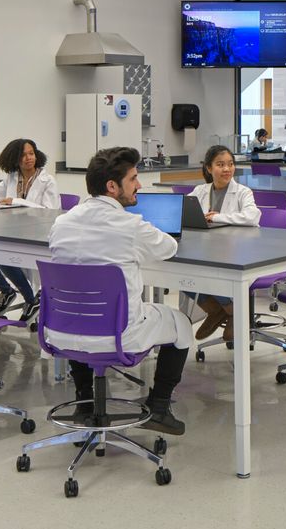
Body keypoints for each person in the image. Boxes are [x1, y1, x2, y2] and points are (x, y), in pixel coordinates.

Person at [47, 146, 193, 436]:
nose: (139, 185)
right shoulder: (131, 226)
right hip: (119, 335)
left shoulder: (61, 223)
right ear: (112, 187)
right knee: (182, 324)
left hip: (61, 331)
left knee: (83, 311)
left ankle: (84, 404)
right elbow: (169, 248)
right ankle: (159, 408)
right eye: (133, 179)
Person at [190, 144, 260, 342]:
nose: (227, 169)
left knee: (213, 272)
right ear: (209, 168)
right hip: (206, 249)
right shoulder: (200, 191)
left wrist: (218, 217)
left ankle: (234, 313)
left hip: (238, 252)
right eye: (220, 165)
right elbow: (183, 211)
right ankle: (218, 312)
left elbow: (252, 217)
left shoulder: (242, 192)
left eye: (230, 164)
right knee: (183, 274)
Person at [0, 137, 59, 319]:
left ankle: (30, 299)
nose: (29, 158)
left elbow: (51, 211)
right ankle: (8, 291)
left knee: (1, 255)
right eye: (23, 155)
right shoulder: (12, 178)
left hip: (39, 234)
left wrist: (16, 201)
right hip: (13, 231)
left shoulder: (47, 180)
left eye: (31, 153)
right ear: (14, 158)